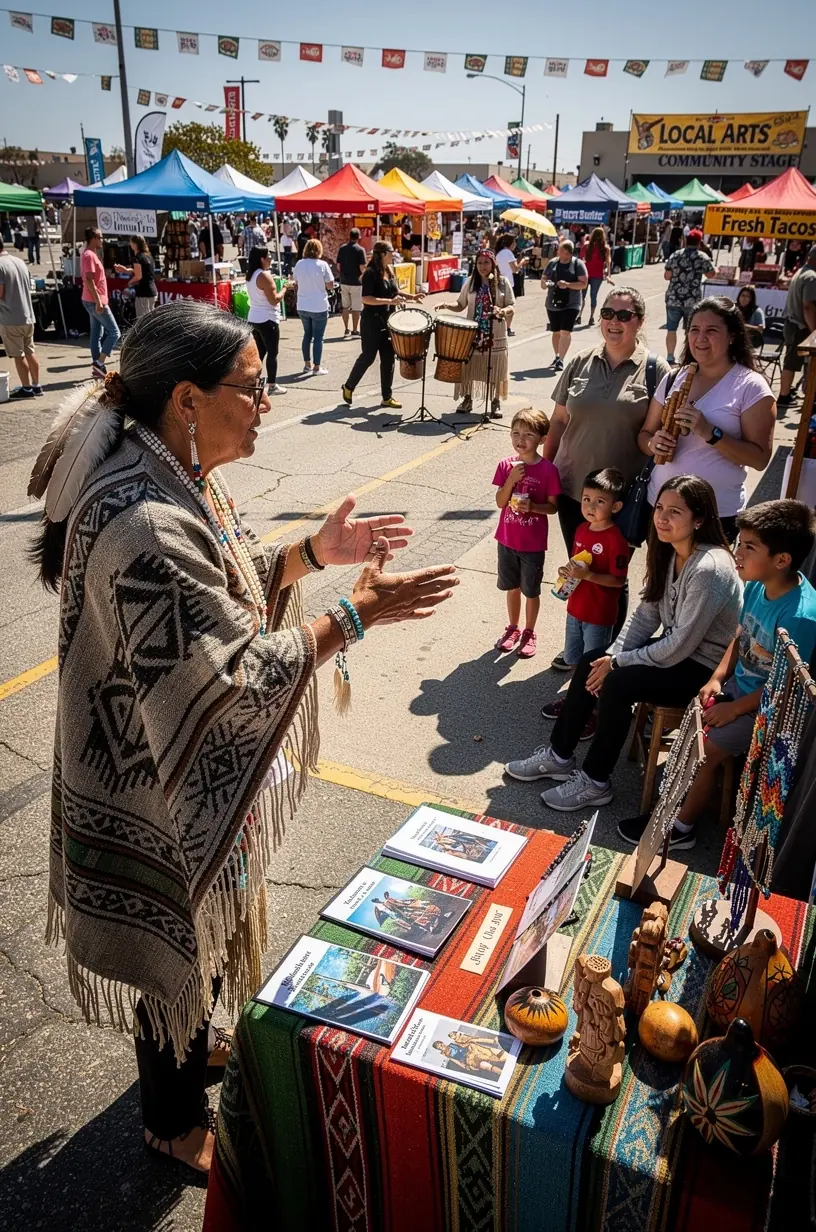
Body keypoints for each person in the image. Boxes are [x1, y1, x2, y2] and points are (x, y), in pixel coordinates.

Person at [33, 300, 458, 1177]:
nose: (266, 405)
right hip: (144, 786)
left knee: (205, 934)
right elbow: (226, 676)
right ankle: (171, 1122)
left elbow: (221, 594)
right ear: (187, 399)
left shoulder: (176, 478)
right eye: (252, 389)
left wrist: (308, 553)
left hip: (160, 761)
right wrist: (352, 615)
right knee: (171, 941)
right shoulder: (142, 519)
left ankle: (200, 1043)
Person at [506, 475, 741, 813]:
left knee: (616, 682)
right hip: (677, 653)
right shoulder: (668, 551)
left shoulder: (709, 568)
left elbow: (681, 645)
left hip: (702, 669)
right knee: (592, 660)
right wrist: (612, 655)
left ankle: (595, 781)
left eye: (675, 511)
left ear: (700, 519)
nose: (662, 517)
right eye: (659, 507)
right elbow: (646, 616)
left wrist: (618, 664)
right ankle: (559, 756)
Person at [619, 499, 816, 849]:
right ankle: (672, 805)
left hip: (770, 710)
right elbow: (740, 638)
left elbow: (785, 687)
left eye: (749, 547)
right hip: (739, 688)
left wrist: (735, 709)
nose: (737, 552)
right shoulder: (756, 584)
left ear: (782, 560)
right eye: (739, 542)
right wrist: (717, 678)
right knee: (693, 734)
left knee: (706, 751)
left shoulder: (800, 616)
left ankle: (681, 829)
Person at [544, 286, 669, 558]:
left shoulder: (656, 370)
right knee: (577, 571)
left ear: (640, 321)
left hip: (619, 500)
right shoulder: (580, 361)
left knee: (611, 580)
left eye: (624, 315)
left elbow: (658, 435)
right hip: (573, 491)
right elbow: (558, 421)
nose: (614, 321)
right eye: (608, 313)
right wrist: (544, 474)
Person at [639, 296, 775, 542]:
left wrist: (711, 433)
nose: (700, 338)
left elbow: (760, 458)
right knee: (662, 580)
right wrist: (652, 444)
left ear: (732, 336)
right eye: (694, 330)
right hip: (661, 509)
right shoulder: (674, 377)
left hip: (714, 515)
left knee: (703, 581)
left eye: (711, 330)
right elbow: (644, 434)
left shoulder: (751, 387)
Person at [546, 468, 629, 691]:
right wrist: (566, 571)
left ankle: (590, 707)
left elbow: (619, 581)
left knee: (594, 665)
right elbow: (576, 563)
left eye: (599, 501)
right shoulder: (581, 529)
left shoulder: (616, 540)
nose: (590, 506)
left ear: (616, 506)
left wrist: (589, 575)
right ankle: (575, 695)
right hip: (575, 608)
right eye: (586, 499)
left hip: (598, 615)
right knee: (574, 659)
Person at [493, 408, 561, 659]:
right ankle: (512, 627)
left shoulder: (548, 471)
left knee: (530, 590)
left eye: (528, 434)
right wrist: (510, 480)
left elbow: (553, 507)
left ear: (542, 439)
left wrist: (532, 507)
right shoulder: (506, 465)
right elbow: (501, 502)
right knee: (511, 587)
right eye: (515, 433)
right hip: (507, 539)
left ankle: (529, 631)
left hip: (532, 544)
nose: (520, 440)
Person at [341, 240, 423, 411]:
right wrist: (390, 301)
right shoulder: (371, 273)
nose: (394, 254)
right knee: (368, 357)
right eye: (392, 252)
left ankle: (387, 397)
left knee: (388, 359)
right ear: (383, 254)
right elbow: (366, 298)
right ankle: (348, 386)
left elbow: (394, 292)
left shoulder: (389, 270)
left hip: (388, 321)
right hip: (371, 321)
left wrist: (411, 297)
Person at [437, 249, 515, 417]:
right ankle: (467, 399)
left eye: (486, 262)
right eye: (479, 263)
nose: (482, 266)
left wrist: (502, 311)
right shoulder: (471, 282)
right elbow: (460, 304)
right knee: (468, 366)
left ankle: (495, 402)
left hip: (495, 334)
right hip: (472, 332)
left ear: (493, 264)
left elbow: (511, 306)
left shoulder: (502, 282)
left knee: (495, 368)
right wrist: (446, 305)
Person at [663, 229, 715, 364]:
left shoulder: (675, 255)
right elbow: (711, 275)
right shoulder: (702, 256)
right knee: (691, 330)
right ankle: (687, 356)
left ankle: (669, 356)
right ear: (699, 242)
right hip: (692, 300)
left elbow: (666, 276)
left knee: (671, 329)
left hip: (673, 297)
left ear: (685, 240)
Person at [0, 236, 41, 397]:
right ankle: (36, 385)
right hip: (28, 315)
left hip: (11, 318)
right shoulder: (19, 261)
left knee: (19, 355)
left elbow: (1, 292)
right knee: (30, 351)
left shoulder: (0, 265)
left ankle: (27, 387)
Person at [80, 226, 121, 380]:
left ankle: (98, 365)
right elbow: (89, 279)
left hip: (92, 300)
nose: (102, 240)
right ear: (94, 238)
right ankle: (99, 363)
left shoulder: (90, 254)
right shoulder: (89, 255)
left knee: (97, 333)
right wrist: (98, 301)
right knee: (114, 332)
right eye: (101, 237)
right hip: (94, 300)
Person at [778, 245, 816, 410]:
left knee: (796, 362)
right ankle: (784, 396)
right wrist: (814, 331)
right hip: (800, 326)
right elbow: (808, 306)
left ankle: (792, 393)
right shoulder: (811, 277)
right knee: (792, 363)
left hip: (793, 324)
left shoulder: (802, 272)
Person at [541, 239, 588, 370]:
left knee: (565, 332)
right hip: (553, 302)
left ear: (568, 253)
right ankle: (557, 356)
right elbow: (544, 279)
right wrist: (545, 283)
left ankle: (561, 359)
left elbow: (583, 283)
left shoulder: (578, 264)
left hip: (571, 303)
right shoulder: (552, 263)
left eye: (561, 250)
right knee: (556, 332)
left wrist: (567, 285)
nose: (558, 252)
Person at [246, 246, 286, 395]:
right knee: (272, 352)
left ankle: (252, 381)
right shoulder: (263, 275)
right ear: (261, 259)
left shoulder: (251, 275)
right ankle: (272, 385)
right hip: (267, 318)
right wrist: (285, 289)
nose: (271, 259)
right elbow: (274, 300)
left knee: (259, 353)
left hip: (254, 317)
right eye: (268, 256)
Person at [292, 238, 334, 376]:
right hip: (319, 305)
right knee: (318, 337)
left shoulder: (299, 264)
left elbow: (295, 281)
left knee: (307, 335)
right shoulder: (322, 265)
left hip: (303, 304)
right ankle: (317, 367)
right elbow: (330, 284)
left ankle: (307, 364)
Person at [114, 234, 158, 318]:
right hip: (152, 291)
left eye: (131, 242)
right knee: (150, 320)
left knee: (142, 321)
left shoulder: (137, 258)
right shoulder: (148, 255)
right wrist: (126, 270)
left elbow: (138, 276)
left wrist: (129, 283)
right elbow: (143, 272)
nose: (130, 245)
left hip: (143, 293)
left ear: (135, 244)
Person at [337, 227, 367, 339]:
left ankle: (346, 329)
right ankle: (355, 329)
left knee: (345, 307)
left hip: (344, 281)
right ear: (359, 237)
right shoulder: (360, 250)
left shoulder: (342, 248)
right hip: (356, 282)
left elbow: (339, 266)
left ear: (349, 236)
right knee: (356, 308)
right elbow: (362, 267)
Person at [495, 235, 526, 332]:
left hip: (500, 281)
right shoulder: (508, 253)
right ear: (511, 243)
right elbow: (515, 269)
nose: (515, 244)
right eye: (514, 242)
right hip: (509, 283)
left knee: (500, 305)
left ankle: (500, 326)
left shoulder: (499, 253)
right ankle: (507, 327)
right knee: (510, 306)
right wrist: (522, 262)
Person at [582, 227, 610, 326]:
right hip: (597, 275)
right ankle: (591, 317)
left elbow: (581, 260)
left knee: (582, 295)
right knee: (593, 295)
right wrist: (608, 275)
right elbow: (608, 263)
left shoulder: (586, 246)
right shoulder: (605, 248)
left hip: (585, 273)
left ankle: (579, 316)